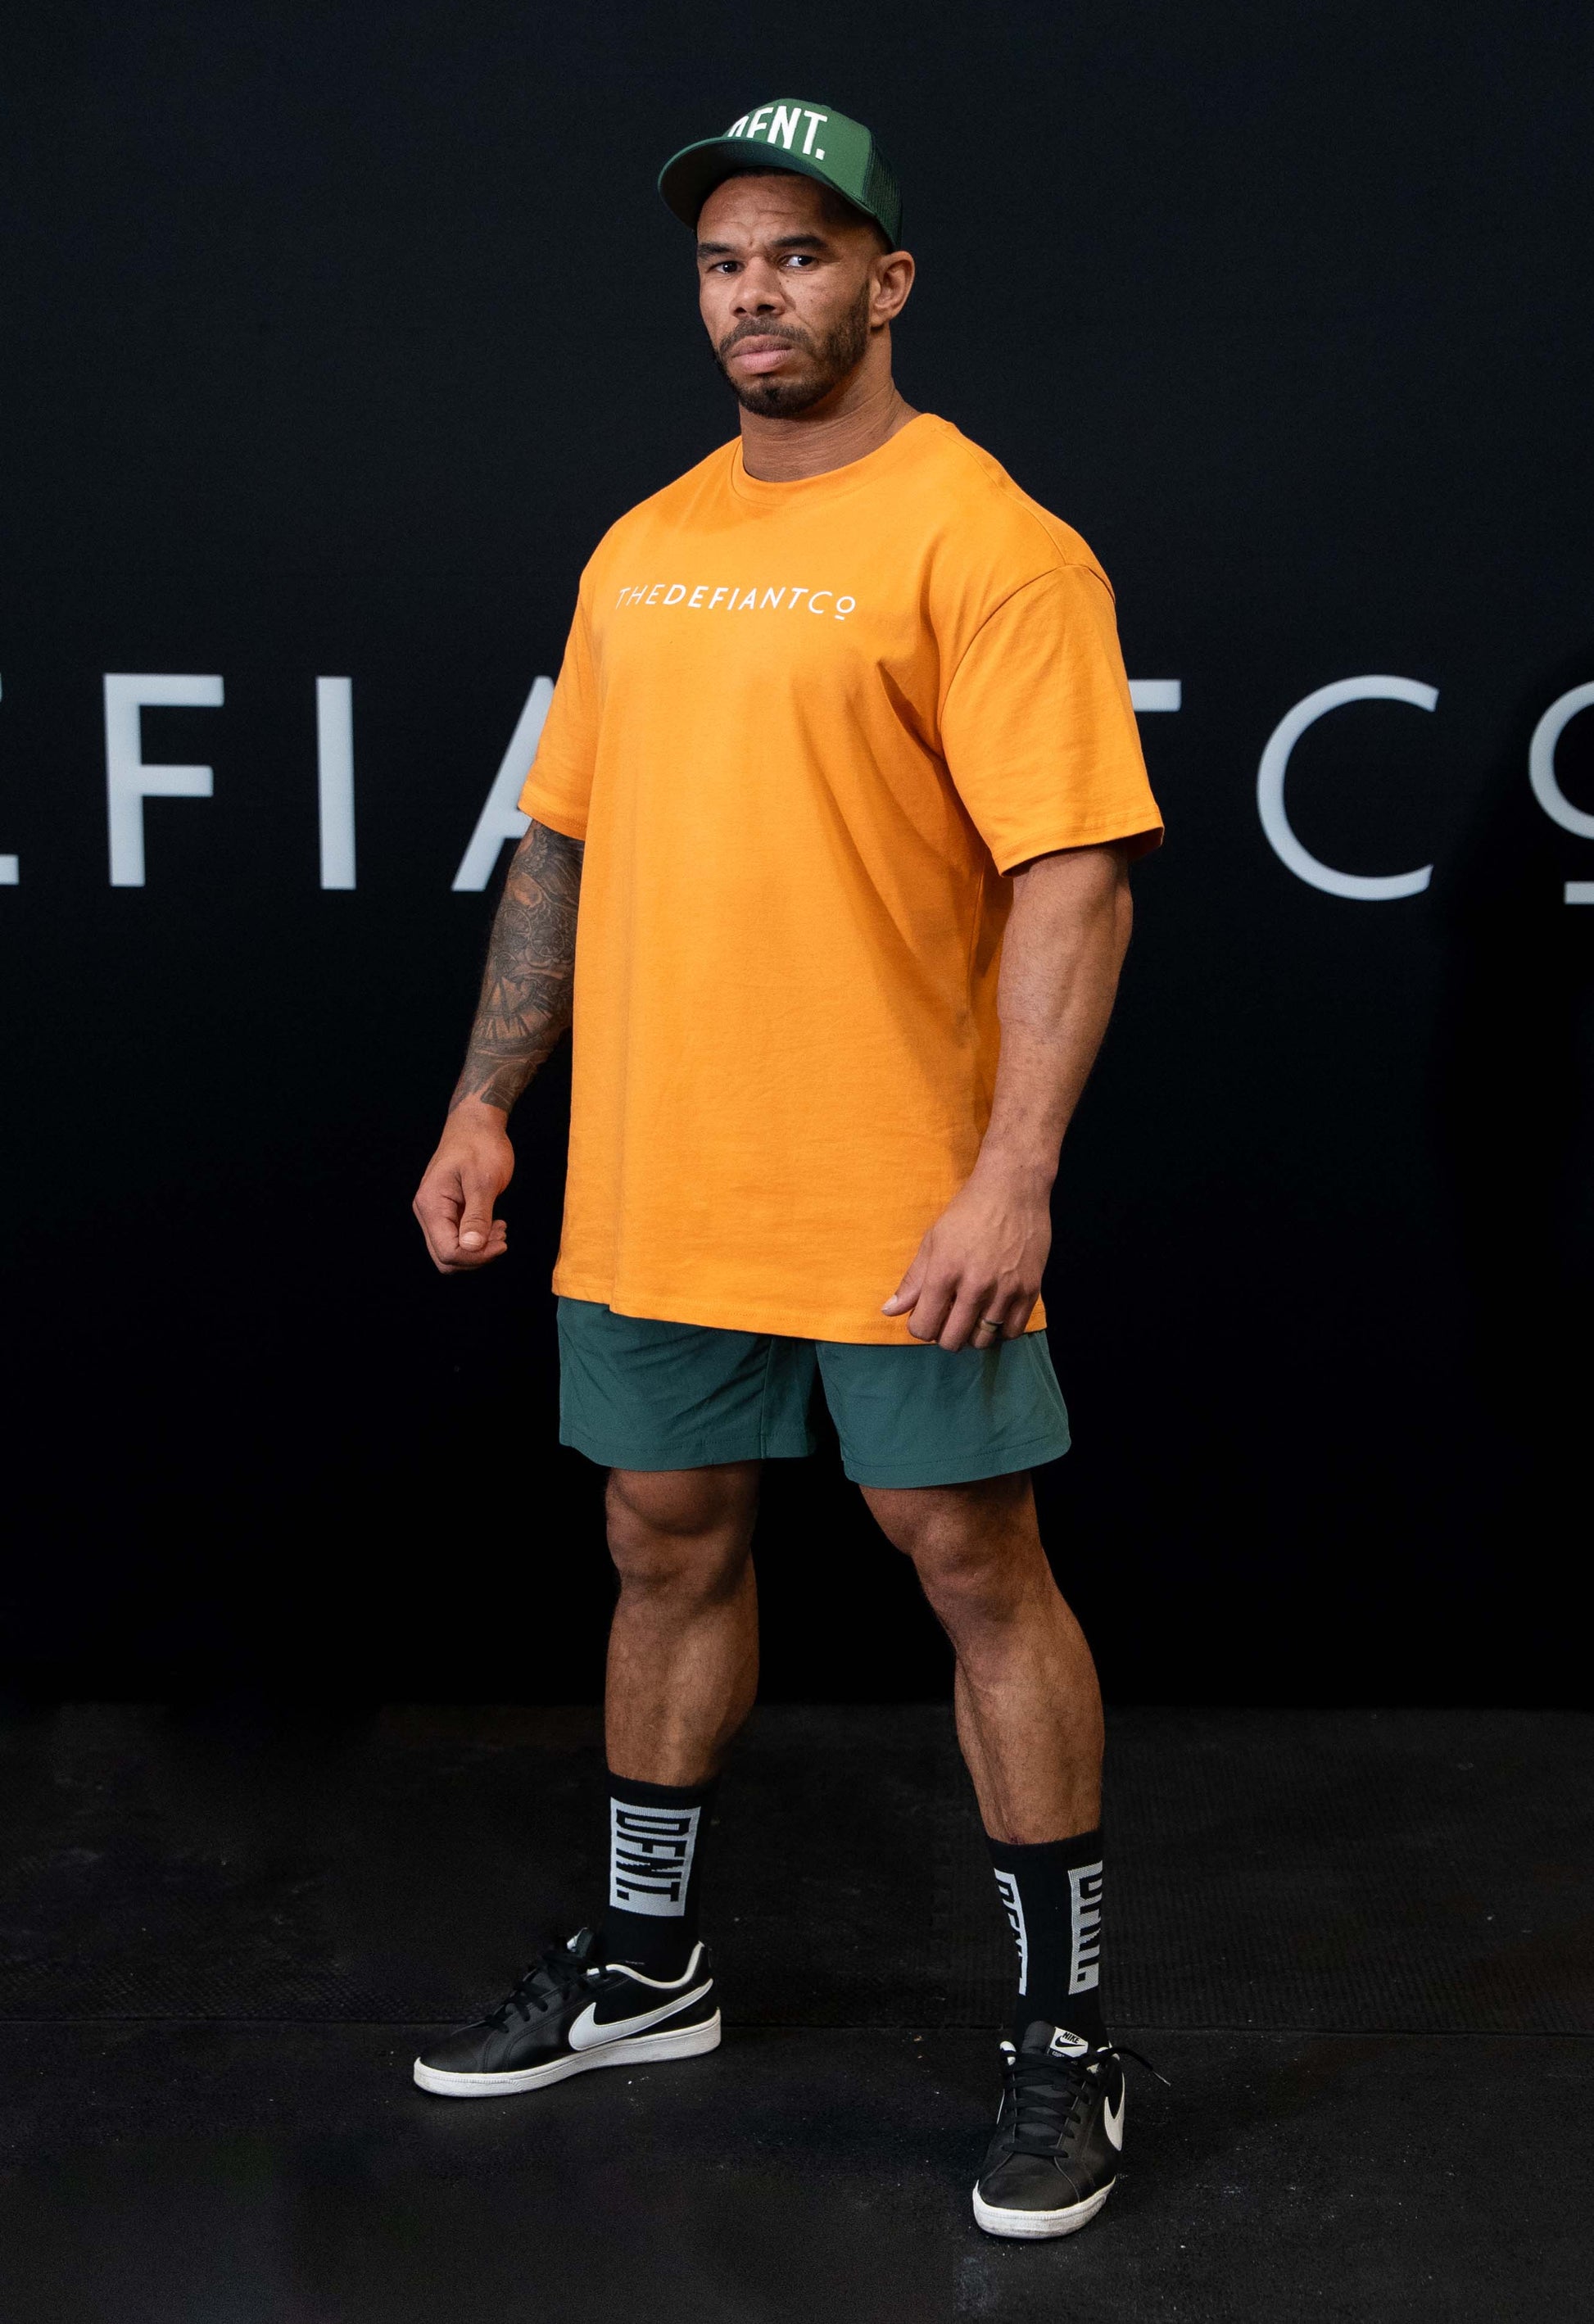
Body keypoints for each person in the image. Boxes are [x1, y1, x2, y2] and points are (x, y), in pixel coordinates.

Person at [410, 97, 1162, 2240]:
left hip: (896, 1187)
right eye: (730, 258)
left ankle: (1066, 2036)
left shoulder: (987, 539)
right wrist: (487, 1099)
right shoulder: (640, 543)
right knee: (661, 1545)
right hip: (656, 1181)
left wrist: (1011, 1173)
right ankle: (649, 1971)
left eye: (804, 254)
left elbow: (1075, 878)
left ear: (886, 284)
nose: (760, 289)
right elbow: (558, 840)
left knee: (963, 1557)